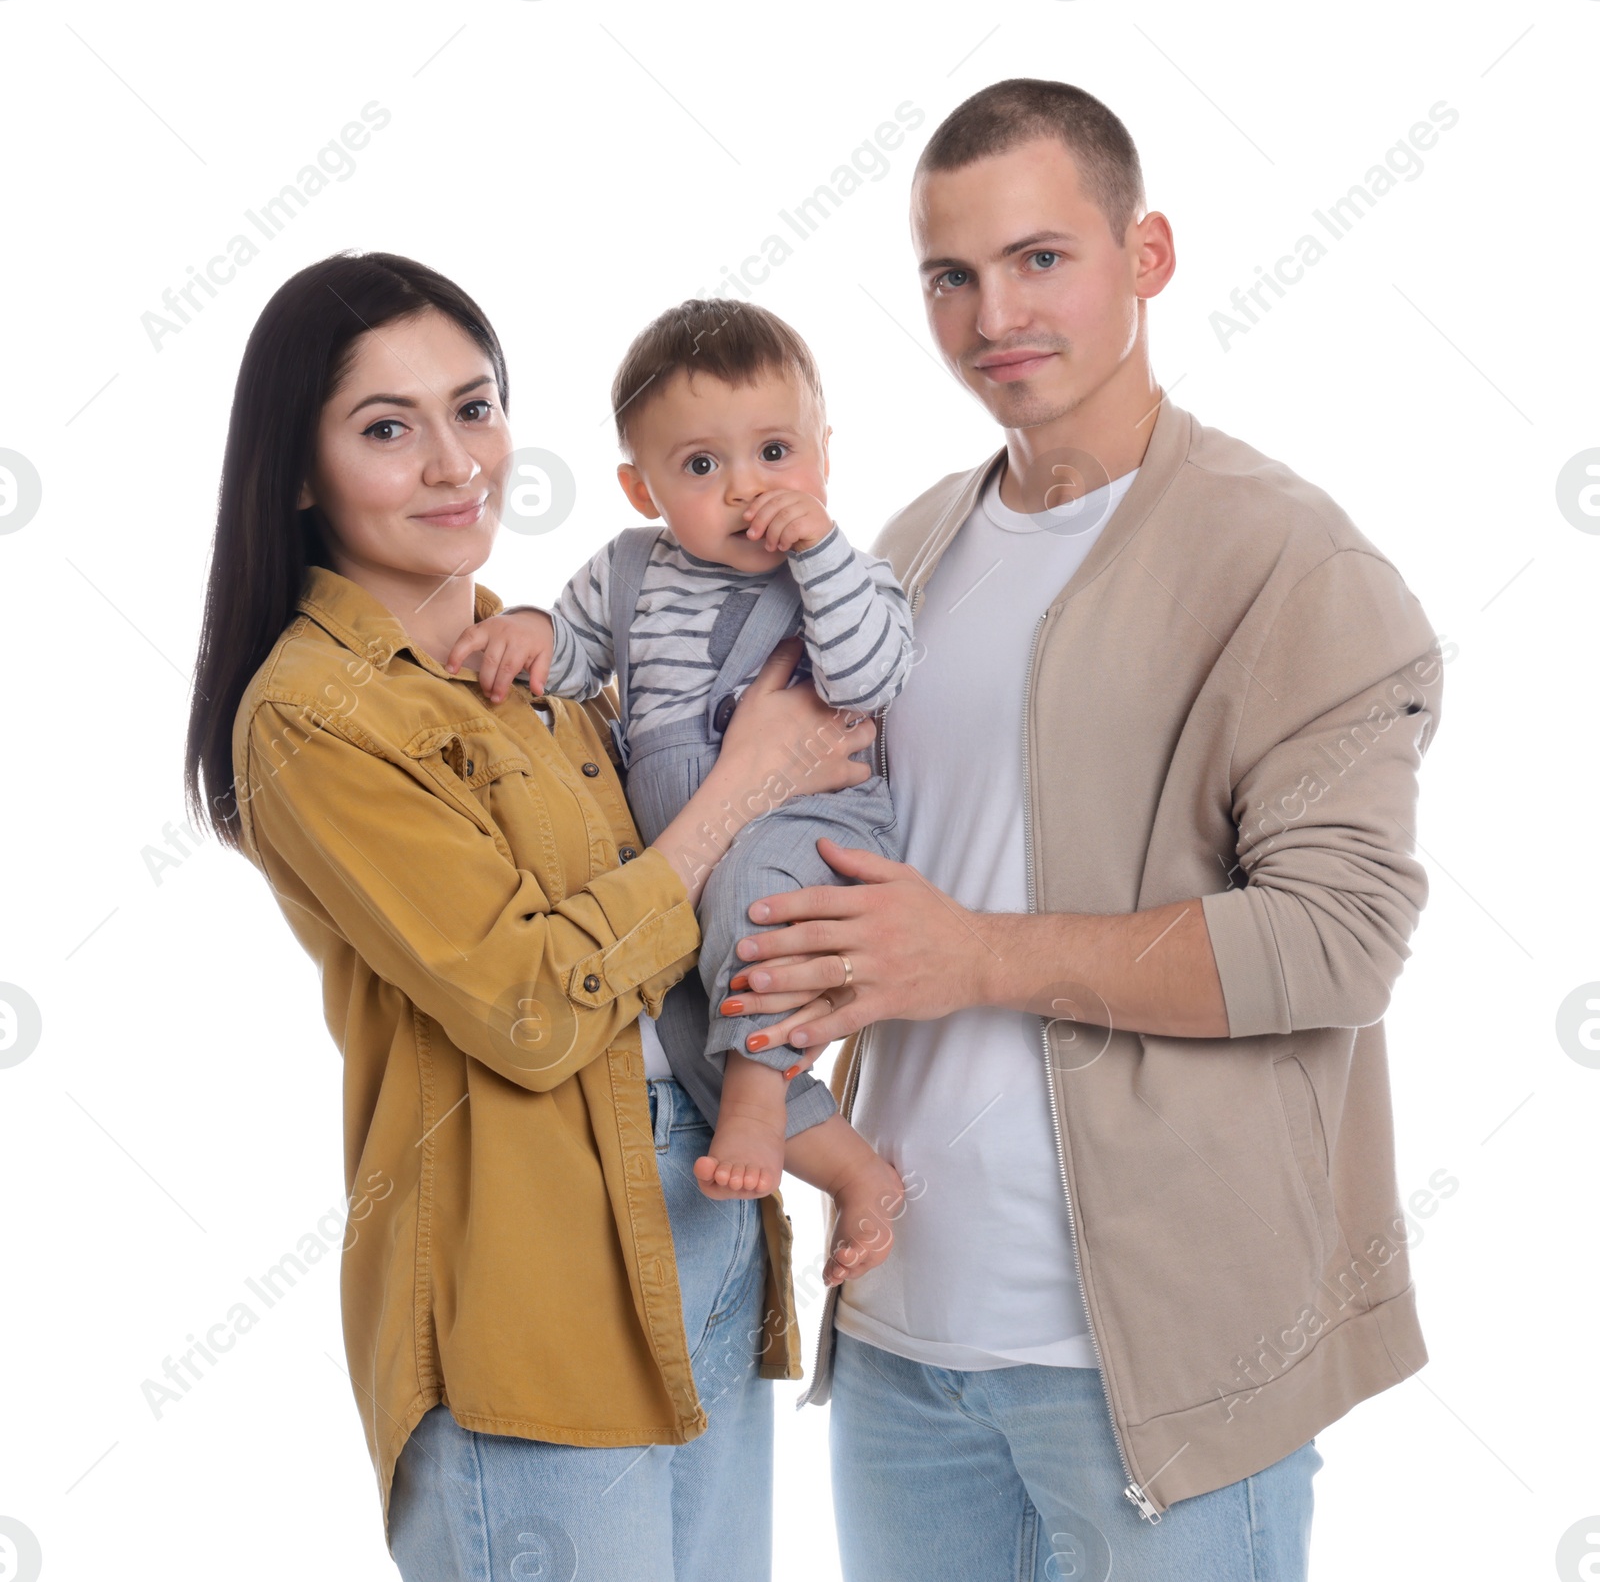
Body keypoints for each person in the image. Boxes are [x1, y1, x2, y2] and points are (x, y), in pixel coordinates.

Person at [720, 78, 1445, 1581]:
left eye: (1043, 258)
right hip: (904, 1344)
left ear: (1149, 256)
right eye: (951, 275)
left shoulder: (1288, 561)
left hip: (1157, 1375)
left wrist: (973, 955)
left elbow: (1341, 939)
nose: (996, 313)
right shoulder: (904, 550)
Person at [182, 251, 871, 1581]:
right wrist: (748, 782)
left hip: (702, 1247)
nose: (455, 464)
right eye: (389, 427)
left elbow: (703, 916)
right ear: (300, 471)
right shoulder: (314, 716)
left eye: (475, 407)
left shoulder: (550, 667)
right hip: (531, 1303)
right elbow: (534, 1003)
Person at [447, 298, 907, 1270]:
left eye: (776, 453)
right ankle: (853, 1170)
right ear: (640, 486)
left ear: (825, 449)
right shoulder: (626, 574)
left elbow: (868, 679)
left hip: (812, 823)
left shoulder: (853, 577)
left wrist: (819, 552)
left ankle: (753, 1100)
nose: (748, 490)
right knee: (682, 1014)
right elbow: (567, 659)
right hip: (683, 871)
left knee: (753, 923)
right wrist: (525, 630)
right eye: (702, 466)